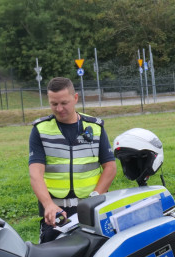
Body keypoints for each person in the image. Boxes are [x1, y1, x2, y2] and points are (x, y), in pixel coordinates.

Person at [28, 76, 116, 243]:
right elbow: (35, 174)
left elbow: (110, 167)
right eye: (54, 104)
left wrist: (94, 198)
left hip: (90, 208)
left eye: (64, 103)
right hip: (57, 212)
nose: (59, 108)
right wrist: (48, 205)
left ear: (75, 98)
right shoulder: (40, 130)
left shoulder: (95, 127)